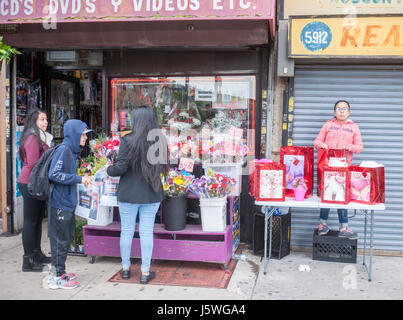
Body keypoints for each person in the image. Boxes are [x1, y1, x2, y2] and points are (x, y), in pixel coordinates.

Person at [107, 105, 169, 284]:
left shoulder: (127, 140)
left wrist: (108, 169)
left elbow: (120, 168)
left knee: (126, 231)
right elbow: (162, 167)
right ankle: (145, 272)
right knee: (146, 232)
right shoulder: (159, 140)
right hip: (151, 193)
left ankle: (126, 269)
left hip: (128, 194)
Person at [47, 119, 94, 289]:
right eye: (83, 134)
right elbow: (54, 174)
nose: (85, 138)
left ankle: (60, 272)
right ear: (74, 134)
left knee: (64, 240)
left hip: (65, 202)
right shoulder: (64, 150)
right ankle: (57, 277)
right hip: (60, 203)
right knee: (60, 241)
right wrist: (79, 178)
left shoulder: (71, 151)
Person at [314, 100, 363, 240]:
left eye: (345, 109)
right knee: (327, 194)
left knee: (342, 196)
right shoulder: (328, 125)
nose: (342, 111)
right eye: (339, 108)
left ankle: (344, 227)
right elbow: (316, 142)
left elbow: (360, 147)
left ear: (349, 112)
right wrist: (321, 144)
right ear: (334, 111)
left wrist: (350, 147)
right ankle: (322, 224)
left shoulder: (354, 127)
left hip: (344, 168)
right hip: (327, 166)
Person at [18, 109, 53, 272]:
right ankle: (28, 260)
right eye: (42, 119)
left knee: (38, 220)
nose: (45, 122)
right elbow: (33, 164)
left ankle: (37, 253)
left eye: (46, 119)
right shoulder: (32, 138)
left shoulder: (39, 136)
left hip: (36, 182)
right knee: (30, 222)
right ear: (34, 121)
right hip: (29, 183)